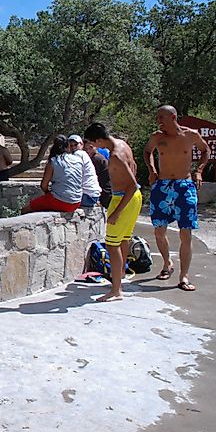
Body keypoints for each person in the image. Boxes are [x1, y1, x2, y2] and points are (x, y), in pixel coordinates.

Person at [143, 105, 210, 292]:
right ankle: (167, 263)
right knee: (159, 230)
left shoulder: (191, 135)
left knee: (186, 233)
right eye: (157, 117)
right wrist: (152, 170)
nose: (158, 121)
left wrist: (199, 171)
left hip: (184, 186)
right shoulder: (157, 137)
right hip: (163, 186)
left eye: (161, 117)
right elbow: (147, 151)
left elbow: (205, 150)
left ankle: (184, 276)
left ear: (173, 117)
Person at [84, 122, 142, 303]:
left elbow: (132, 185)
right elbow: (134, 167)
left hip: (124, 197)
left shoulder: (115, 155)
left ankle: (116, 290)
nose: (93, 146)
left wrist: (117, 212)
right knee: (123, 238)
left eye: (92, 143)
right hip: (133, 198)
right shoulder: (123, 144)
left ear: (99, 140)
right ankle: (120, 274)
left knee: (112, 244)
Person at [21, 135, 83, 214]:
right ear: (68, 146)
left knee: (25, 210)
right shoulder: (78, 160)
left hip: (61, 201)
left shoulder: (53, 161)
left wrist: (48, 193)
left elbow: (43, 185)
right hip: (77, 202)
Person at [67, 134, 102, 207]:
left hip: (87, 197)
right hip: (92, 196)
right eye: (71, 145)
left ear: (82, 145)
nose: (73, 147)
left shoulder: (78, 154)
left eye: (76, 144)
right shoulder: (84, 154)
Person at [84, 139, 113, 208]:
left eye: (90, 148)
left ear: (96, 147)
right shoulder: (94, 158)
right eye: (85, 149)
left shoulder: (96, 159)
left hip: (105, 194)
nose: (88, 151)